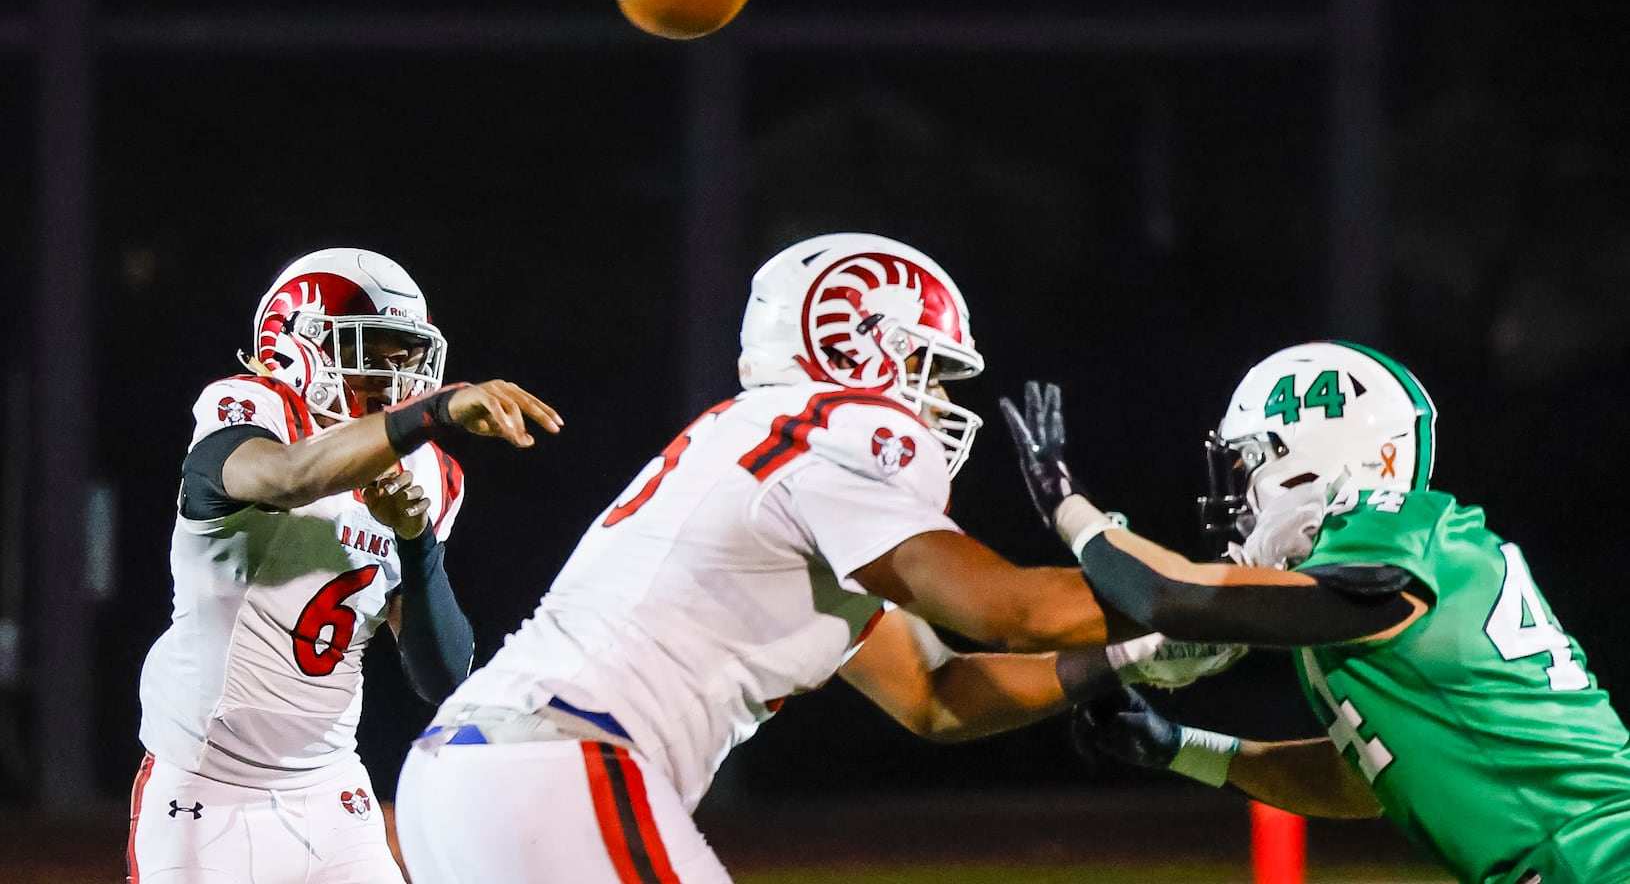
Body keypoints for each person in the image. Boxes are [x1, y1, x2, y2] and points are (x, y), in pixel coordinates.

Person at [392, 232, 1238, 884]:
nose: (938, 404)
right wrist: (1203, 600)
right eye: (926, 369)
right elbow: (1011, 609)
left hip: (466, 776)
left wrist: (1132, 653)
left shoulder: (760, 454)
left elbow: (934, 695)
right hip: (561, 765)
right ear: (854, 346)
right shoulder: (828, 438)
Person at [1001, 341, 1630, 884]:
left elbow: (1175, 597)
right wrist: (1179, 747)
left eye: (1247, 462)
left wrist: (1068, 508)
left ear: (1305, 457)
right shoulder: (1360, 590)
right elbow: (1364, 782)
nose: (1238, 493)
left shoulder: (1398, 530)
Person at [127, 247, 564, 884]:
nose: (394, 375)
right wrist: (437, 409)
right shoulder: (252, 409)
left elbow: (441, 674)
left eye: (407, 355)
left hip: (333, 795)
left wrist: (416, 541)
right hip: (205, 789)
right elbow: (288, 476)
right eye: (375, 348)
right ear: (297, 340)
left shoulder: (430, 472)